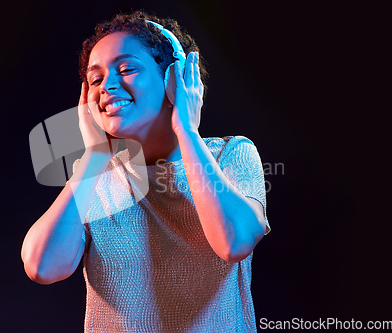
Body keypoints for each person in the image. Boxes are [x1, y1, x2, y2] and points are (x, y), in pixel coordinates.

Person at [21, 11, 270, 332]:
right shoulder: (95, 178)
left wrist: (187, 132)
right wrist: (95, 155)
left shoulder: (230, 154)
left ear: (176, 80)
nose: (106, 86)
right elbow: (42, 267)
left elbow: (234, 243)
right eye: (95, 79)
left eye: (126, 69)